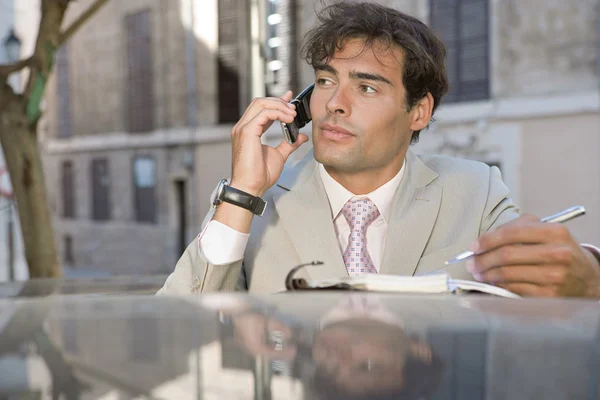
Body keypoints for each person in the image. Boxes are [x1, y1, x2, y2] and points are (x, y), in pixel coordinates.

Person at [158, 1, 600, 298]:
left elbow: (545, 278)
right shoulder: (253, 202)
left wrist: (590, 276)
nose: (334, 103)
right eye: (327, 80)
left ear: (419, 112)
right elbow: (182, 325)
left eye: (366, 87)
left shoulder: (477, 189)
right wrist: (240, 195)